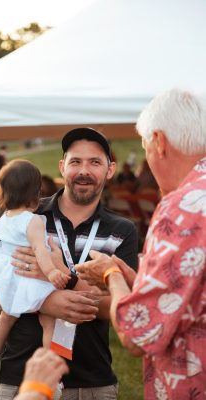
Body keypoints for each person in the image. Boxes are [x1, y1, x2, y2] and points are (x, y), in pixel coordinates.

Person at [0, 127, 138, 400]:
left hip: (91, 381)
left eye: (94, 162)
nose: (83, 170)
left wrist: (70, 283)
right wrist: (46, 302)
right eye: (76, 162)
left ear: (110, 170)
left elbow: (118, 305)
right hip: (22, 377)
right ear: (62, 167)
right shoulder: (27, 216)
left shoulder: (122, 230)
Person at [76, 89, 206, 400]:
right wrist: (135, 277)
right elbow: (183, 296)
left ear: (159, 142)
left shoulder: (183, 206)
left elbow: (140, 333)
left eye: (145, 146)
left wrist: (111, 274)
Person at [0, 159, 70, 380]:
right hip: (31, 279)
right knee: (49, 321)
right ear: (36, 194)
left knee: (6, 316)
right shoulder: (34, 221)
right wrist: (52, 272)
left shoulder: (3, 219)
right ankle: (50, 373)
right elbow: (40, 250)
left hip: (9, 278)